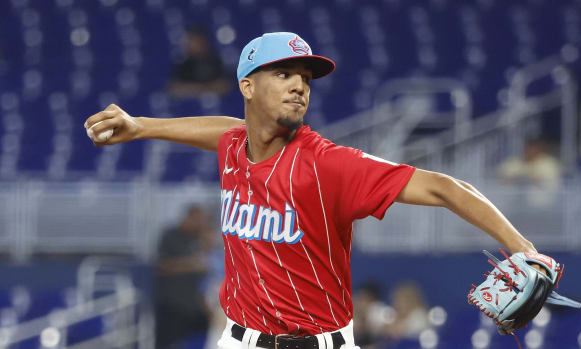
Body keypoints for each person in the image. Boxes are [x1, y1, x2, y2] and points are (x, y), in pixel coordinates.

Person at [85, 32, 545, 349]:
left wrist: (524, 250)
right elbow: (223, 129)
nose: (299, 86)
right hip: (235, 338)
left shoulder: (328, 164)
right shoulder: (233, 146)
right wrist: (141, 126)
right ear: (247, 86)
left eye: (304, 78)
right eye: (283, 74)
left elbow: (446, 188)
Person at [155, 205, 214, 348]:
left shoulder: (197, 238)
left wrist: (206, 237)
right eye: (198, 220)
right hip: (172, 305)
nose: (200, 224)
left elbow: (207, 263)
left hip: (194, 306)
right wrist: (190, 265)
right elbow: (161, 266)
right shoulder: (170, 235)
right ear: (189, 217)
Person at [168, 28, 231, 98]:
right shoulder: (182, 65)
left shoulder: (215, 61)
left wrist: (194, 88)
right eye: (189, 42)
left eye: (195, 41)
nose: (191, 45)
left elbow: (224, 85)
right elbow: (176, 89)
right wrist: (205, 88)